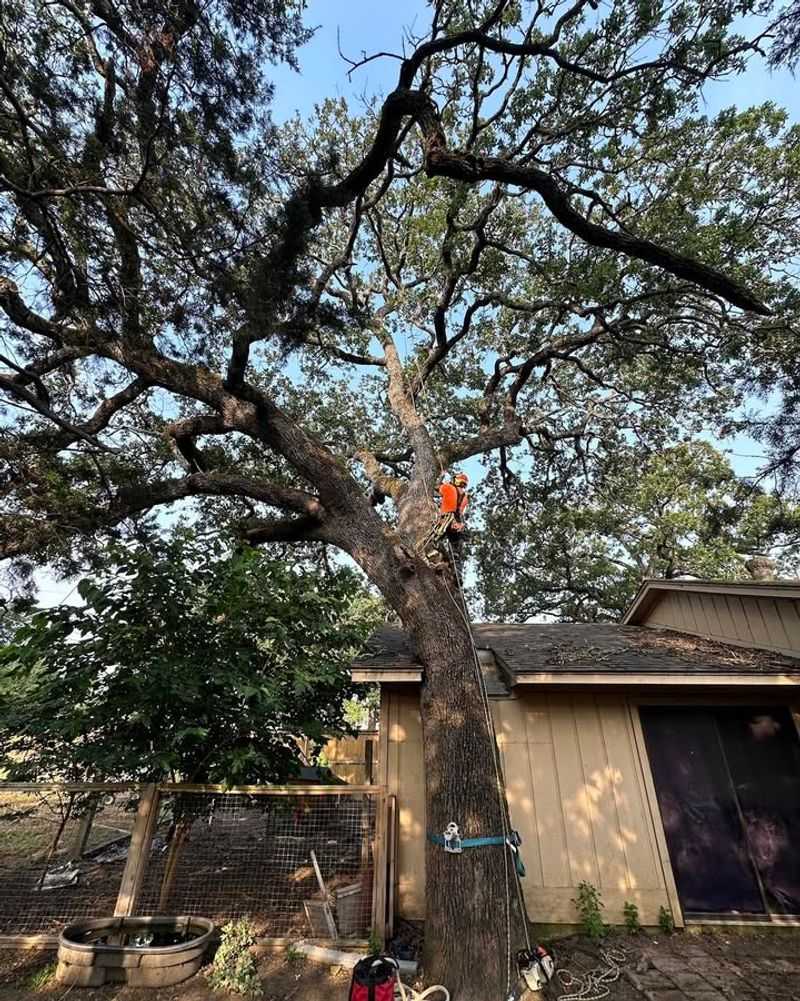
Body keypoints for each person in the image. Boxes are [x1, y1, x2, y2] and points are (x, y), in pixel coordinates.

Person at [424, 471, 469, 560]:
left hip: (446, 518)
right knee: (455, 541)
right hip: (457, 521)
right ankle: (455, 555)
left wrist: (441, 475)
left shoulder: (448, 487)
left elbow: (436, 487)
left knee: (434, 537)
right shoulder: (465, 496)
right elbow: (460, 511)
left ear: (455, 481)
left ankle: (431, 550)